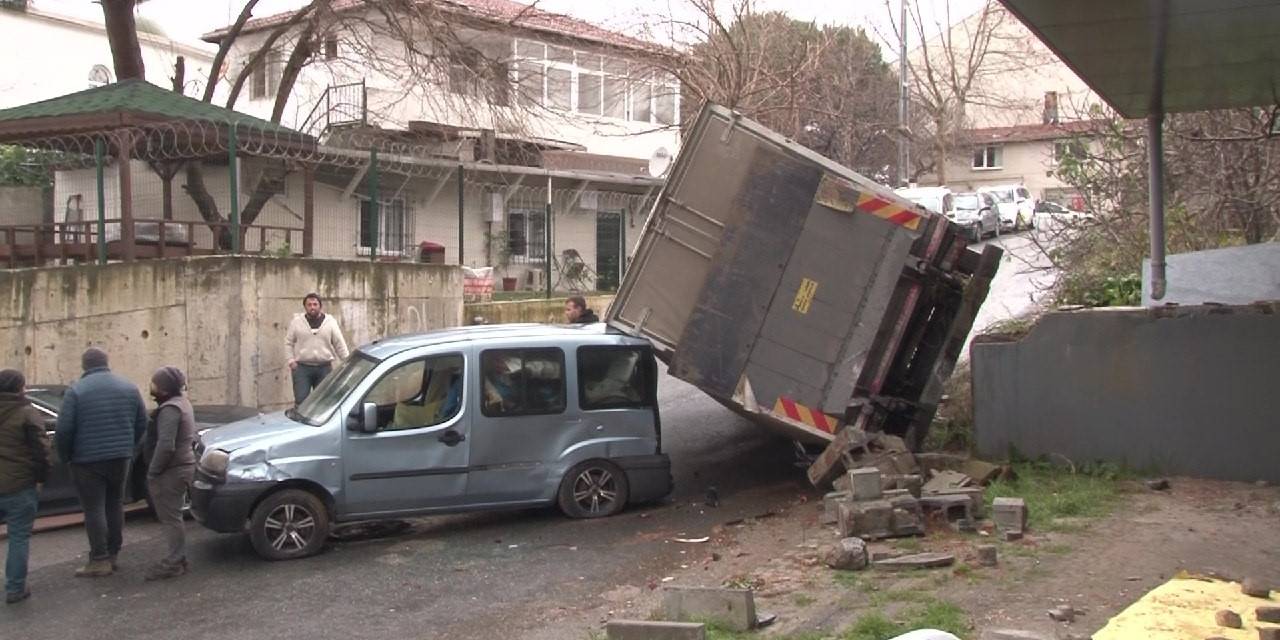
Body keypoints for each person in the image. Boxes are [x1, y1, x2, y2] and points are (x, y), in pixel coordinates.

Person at [54, 348, 147, 578]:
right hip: (120, 457)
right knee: (115, 504)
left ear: (84, 365)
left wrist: (65, 456)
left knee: (93, 508)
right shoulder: (128, 387)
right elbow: (142, 422)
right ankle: (113, 553)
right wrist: (128, 447)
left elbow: (64, 430)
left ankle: (99, 559)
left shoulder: (76, 391)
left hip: (87, 460)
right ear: (106, 362)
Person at [0, 369, 51, 604]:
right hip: (19, 485)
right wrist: (41, 478)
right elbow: (41, 451)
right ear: (19, 388)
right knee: (18, 536)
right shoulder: (26, 413)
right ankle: (15, 588)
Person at [141, 367, 196, 581]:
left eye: (155, 383)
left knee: (171, 518)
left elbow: (166, 445)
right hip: (180, 467)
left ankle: (175, 561)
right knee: (173, 516)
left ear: (163, 388)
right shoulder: (182, 403)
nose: (151, 386)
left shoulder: (170, 409)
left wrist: (153, 472)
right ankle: (178, 558)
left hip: (171, 471)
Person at [286, 293, 350, 405]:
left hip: (324, 368)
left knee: (323, 402)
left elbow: (339, 344)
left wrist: (347, 362)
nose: (312, 307)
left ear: (320, 306)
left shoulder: (330, 322)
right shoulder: (296, 322)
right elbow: (288, 342)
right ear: (305, 307)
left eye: (315, 304)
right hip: (302, 368)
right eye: (309, 304)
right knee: (301, 401)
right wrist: (291, 360)